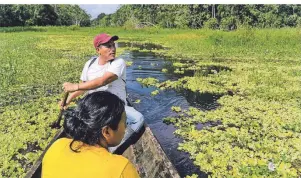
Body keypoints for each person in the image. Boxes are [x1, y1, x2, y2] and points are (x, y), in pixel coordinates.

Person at [61, 33, 144, 152]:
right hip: (95, 109)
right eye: (108, 46)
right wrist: (68, 100)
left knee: (138, 119)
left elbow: (103, 80)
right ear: (98, 49)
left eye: (113, 45)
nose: (113, 49)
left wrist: (75, 86)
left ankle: (113, 149)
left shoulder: (118, 62)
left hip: (115, 108)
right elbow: (83, 87)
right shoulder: (89, 64)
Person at [42, 91, 140, 178]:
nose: (126, 127)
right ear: (106, 131)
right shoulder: (121, 168)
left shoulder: (57, 145)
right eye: (125, 122)